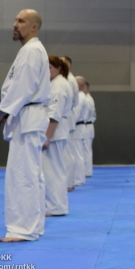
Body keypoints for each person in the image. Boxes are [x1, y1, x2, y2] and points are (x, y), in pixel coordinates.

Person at [0, 9, 50, 243]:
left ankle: (23, 229)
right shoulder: (30, 50)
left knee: (23, 175)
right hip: (28, 116)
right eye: (15, 20)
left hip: (28, 116)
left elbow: (23, 86)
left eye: (21, 21)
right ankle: (34, 226)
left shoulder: (32, 50)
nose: (15, 24)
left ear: (34, 27)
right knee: (31, 174)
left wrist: (2, 111)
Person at [43, 55, 72, 217]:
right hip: (56, 130)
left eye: (50, 68)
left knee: (52, 170)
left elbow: (54, 114)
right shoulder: (55, 83)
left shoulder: (59, 86)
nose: (47, 71)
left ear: (58, 69)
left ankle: (55, 206)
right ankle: (56, 205)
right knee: (53, 169)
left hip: (54, 131)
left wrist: (47, 136)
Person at [61, 56, 80, 192]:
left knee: (67, 153)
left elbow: (75, 101)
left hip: (66, 116)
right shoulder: (65, 79)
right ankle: (69, 181)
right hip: (66, 117)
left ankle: (68, 183)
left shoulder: (70, 79)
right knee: (66, 153)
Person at [72, 77, 89, 188]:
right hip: (79, 126)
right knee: (79, 153)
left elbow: (76, 114)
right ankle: (79, 177)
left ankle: (78, 179)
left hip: (77, 126)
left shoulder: (80, 97)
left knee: (77, 154)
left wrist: (69, 124)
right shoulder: (82, 97)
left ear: (81, 86)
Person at [83, 80, 95, 177]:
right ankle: (87, 170)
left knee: (86, 149)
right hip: (88, 125)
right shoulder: (89, 99)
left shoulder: (87, 100)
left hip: (86, 125)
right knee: (87, 149)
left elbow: (84, 115)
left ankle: (87, 171)